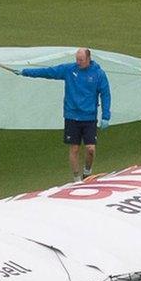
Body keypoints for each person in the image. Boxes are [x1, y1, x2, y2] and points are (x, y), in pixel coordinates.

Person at [19, 47, 112, 182]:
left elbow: (105, 94)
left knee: (90, 149)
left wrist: (106, 116)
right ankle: (76, 179)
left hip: (89, 117)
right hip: (72, 116)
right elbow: (48, 72)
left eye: (81, 60)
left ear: (88, 59)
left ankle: (87, 172)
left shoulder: (99, 74)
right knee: (74, 149)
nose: (78, 62)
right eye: (77, 59)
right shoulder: (69, 70)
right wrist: (25, 72)